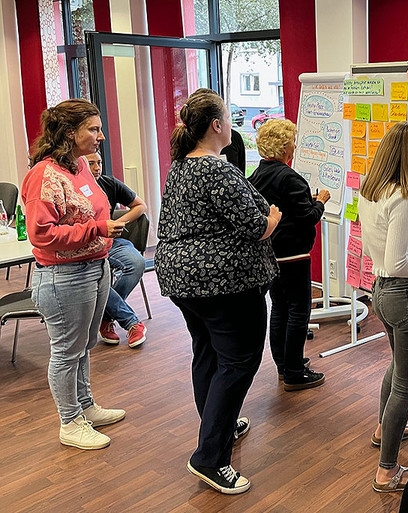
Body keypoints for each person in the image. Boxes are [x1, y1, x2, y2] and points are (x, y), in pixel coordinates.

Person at [155, 89, 281, 495]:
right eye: (228, 117)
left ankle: (217, 424)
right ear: (215, 125)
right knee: (239, 362)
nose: (232, 123)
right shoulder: (217, 170)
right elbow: (256, 224)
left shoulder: (179, 168)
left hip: (182, 281)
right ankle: (210, 457)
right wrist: (274, 218)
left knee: (208, 352)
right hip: (222, 284)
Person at [22, 99, 127, 450]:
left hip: (95, 268)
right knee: (67, 351)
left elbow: (93, 209)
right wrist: (97, 230)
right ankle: (69, 422)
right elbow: (42, 235)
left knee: (86, 344)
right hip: (63, 276)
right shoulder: (44, 176)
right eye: (93, 129)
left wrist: (99, 232)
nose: (101, 136)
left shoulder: (80, 165)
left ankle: (85, 406)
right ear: (70, 133)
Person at [358, 121, 408, 493]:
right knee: (406, 381)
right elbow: (400, 263)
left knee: (397, 368)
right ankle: (387, 471)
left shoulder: (370, 191)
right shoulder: (402, 199)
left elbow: (386, 260)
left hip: (381, 292)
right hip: (406, 293)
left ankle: (385, 427)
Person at [248, 119, 330, 391]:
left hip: (270, 255)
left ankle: (285, 365)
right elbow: (307, 218)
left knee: (280, 308)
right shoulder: (290, 178)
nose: (295, 145)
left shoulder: (255, 176)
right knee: (298, 311)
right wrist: (320, 201)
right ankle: (295, 372)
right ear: (285, 148)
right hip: (293, 255)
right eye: (292, 141)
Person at [86, 151, 147, 348]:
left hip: (110, 243)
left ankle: (106, 316)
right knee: (94, 273)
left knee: (136, 262)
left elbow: (140, 206)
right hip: (85, 249)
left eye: (99, 163)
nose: (97, 168)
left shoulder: (109, 183)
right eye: (91, 164)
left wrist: (116, 222)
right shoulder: (74, 189)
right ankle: (130, 321)